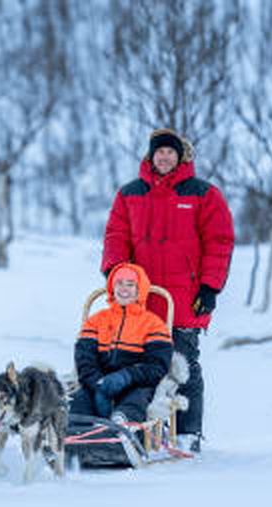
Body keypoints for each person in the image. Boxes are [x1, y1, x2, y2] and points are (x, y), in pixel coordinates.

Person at [101, 128, 235, 452]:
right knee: (136, 368)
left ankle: (188, 434)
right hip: (140, 300)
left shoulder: (203, 193)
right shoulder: (130, 193)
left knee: (183, 366)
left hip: (186, 299)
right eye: (159, 152)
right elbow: (116, 235)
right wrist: (115, 271)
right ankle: (140, 430)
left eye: (170, 153)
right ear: (151, 156)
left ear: (180, 156)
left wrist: (210, 286)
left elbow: (220, 242)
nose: (164, 157)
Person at [71, 263, 173, 427]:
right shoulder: (96, 321)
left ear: (140, 288)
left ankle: (122, 423)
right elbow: (84, 357)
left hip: (135, 385)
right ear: (112, 286)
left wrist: (127, 376)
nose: (124, 289)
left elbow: (158, 366)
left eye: (130, 284)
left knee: (138, 398)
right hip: (99, 382)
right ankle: (75, 431)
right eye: (119, 283)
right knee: (81, 398)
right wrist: (97, 382)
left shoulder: (154, 324)